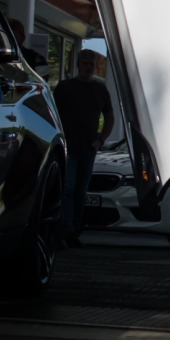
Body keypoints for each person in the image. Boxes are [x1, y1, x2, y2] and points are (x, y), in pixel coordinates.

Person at [54, 49, 115, 247]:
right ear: (78, 64)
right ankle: (66, 229)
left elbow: (110, 117)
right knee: (68, 188)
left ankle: (75, 229)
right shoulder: (65, 88)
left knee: (81, 191)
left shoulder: (100, 90)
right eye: (85, 63)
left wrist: (101, 140)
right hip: (68, 147)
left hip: (88, 148)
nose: (88, 67)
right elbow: (53, 114)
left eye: (91, 64)